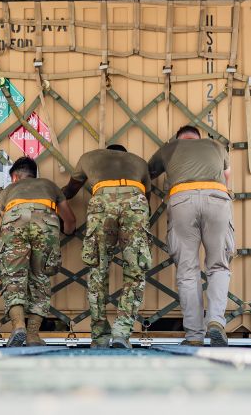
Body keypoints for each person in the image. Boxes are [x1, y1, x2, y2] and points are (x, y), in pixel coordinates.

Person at [148, 125, 234, 347]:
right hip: (217, 198)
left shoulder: (170, 148)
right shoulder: (217, 146)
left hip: (182, 200)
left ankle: (194, 336)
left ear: (179, 138)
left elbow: (147, 174)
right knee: (218, 266)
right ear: (198, 137)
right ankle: (215, 321)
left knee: (188, 271)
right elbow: (227, 176)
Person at [63, 144, 151, 349]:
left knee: (97, 270)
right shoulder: (140, 162)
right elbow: (148, 196)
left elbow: (70, 190)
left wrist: (52, 197)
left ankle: (100, 336)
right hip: (135, 201)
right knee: (135, 270)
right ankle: (122, 332)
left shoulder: (89, 157)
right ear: (125, 155)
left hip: (102, 202)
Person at [0, 157, 76, 347]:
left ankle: (18, 326)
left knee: (14, 277)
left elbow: (5, 217)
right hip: (45, 222)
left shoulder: (7, 191)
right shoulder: (50, 186)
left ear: (15, 177)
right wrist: (66, 232)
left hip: (15, 221)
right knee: (39, 277)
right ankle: (32, 334)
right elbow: (70, 220)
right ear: (34, 175)